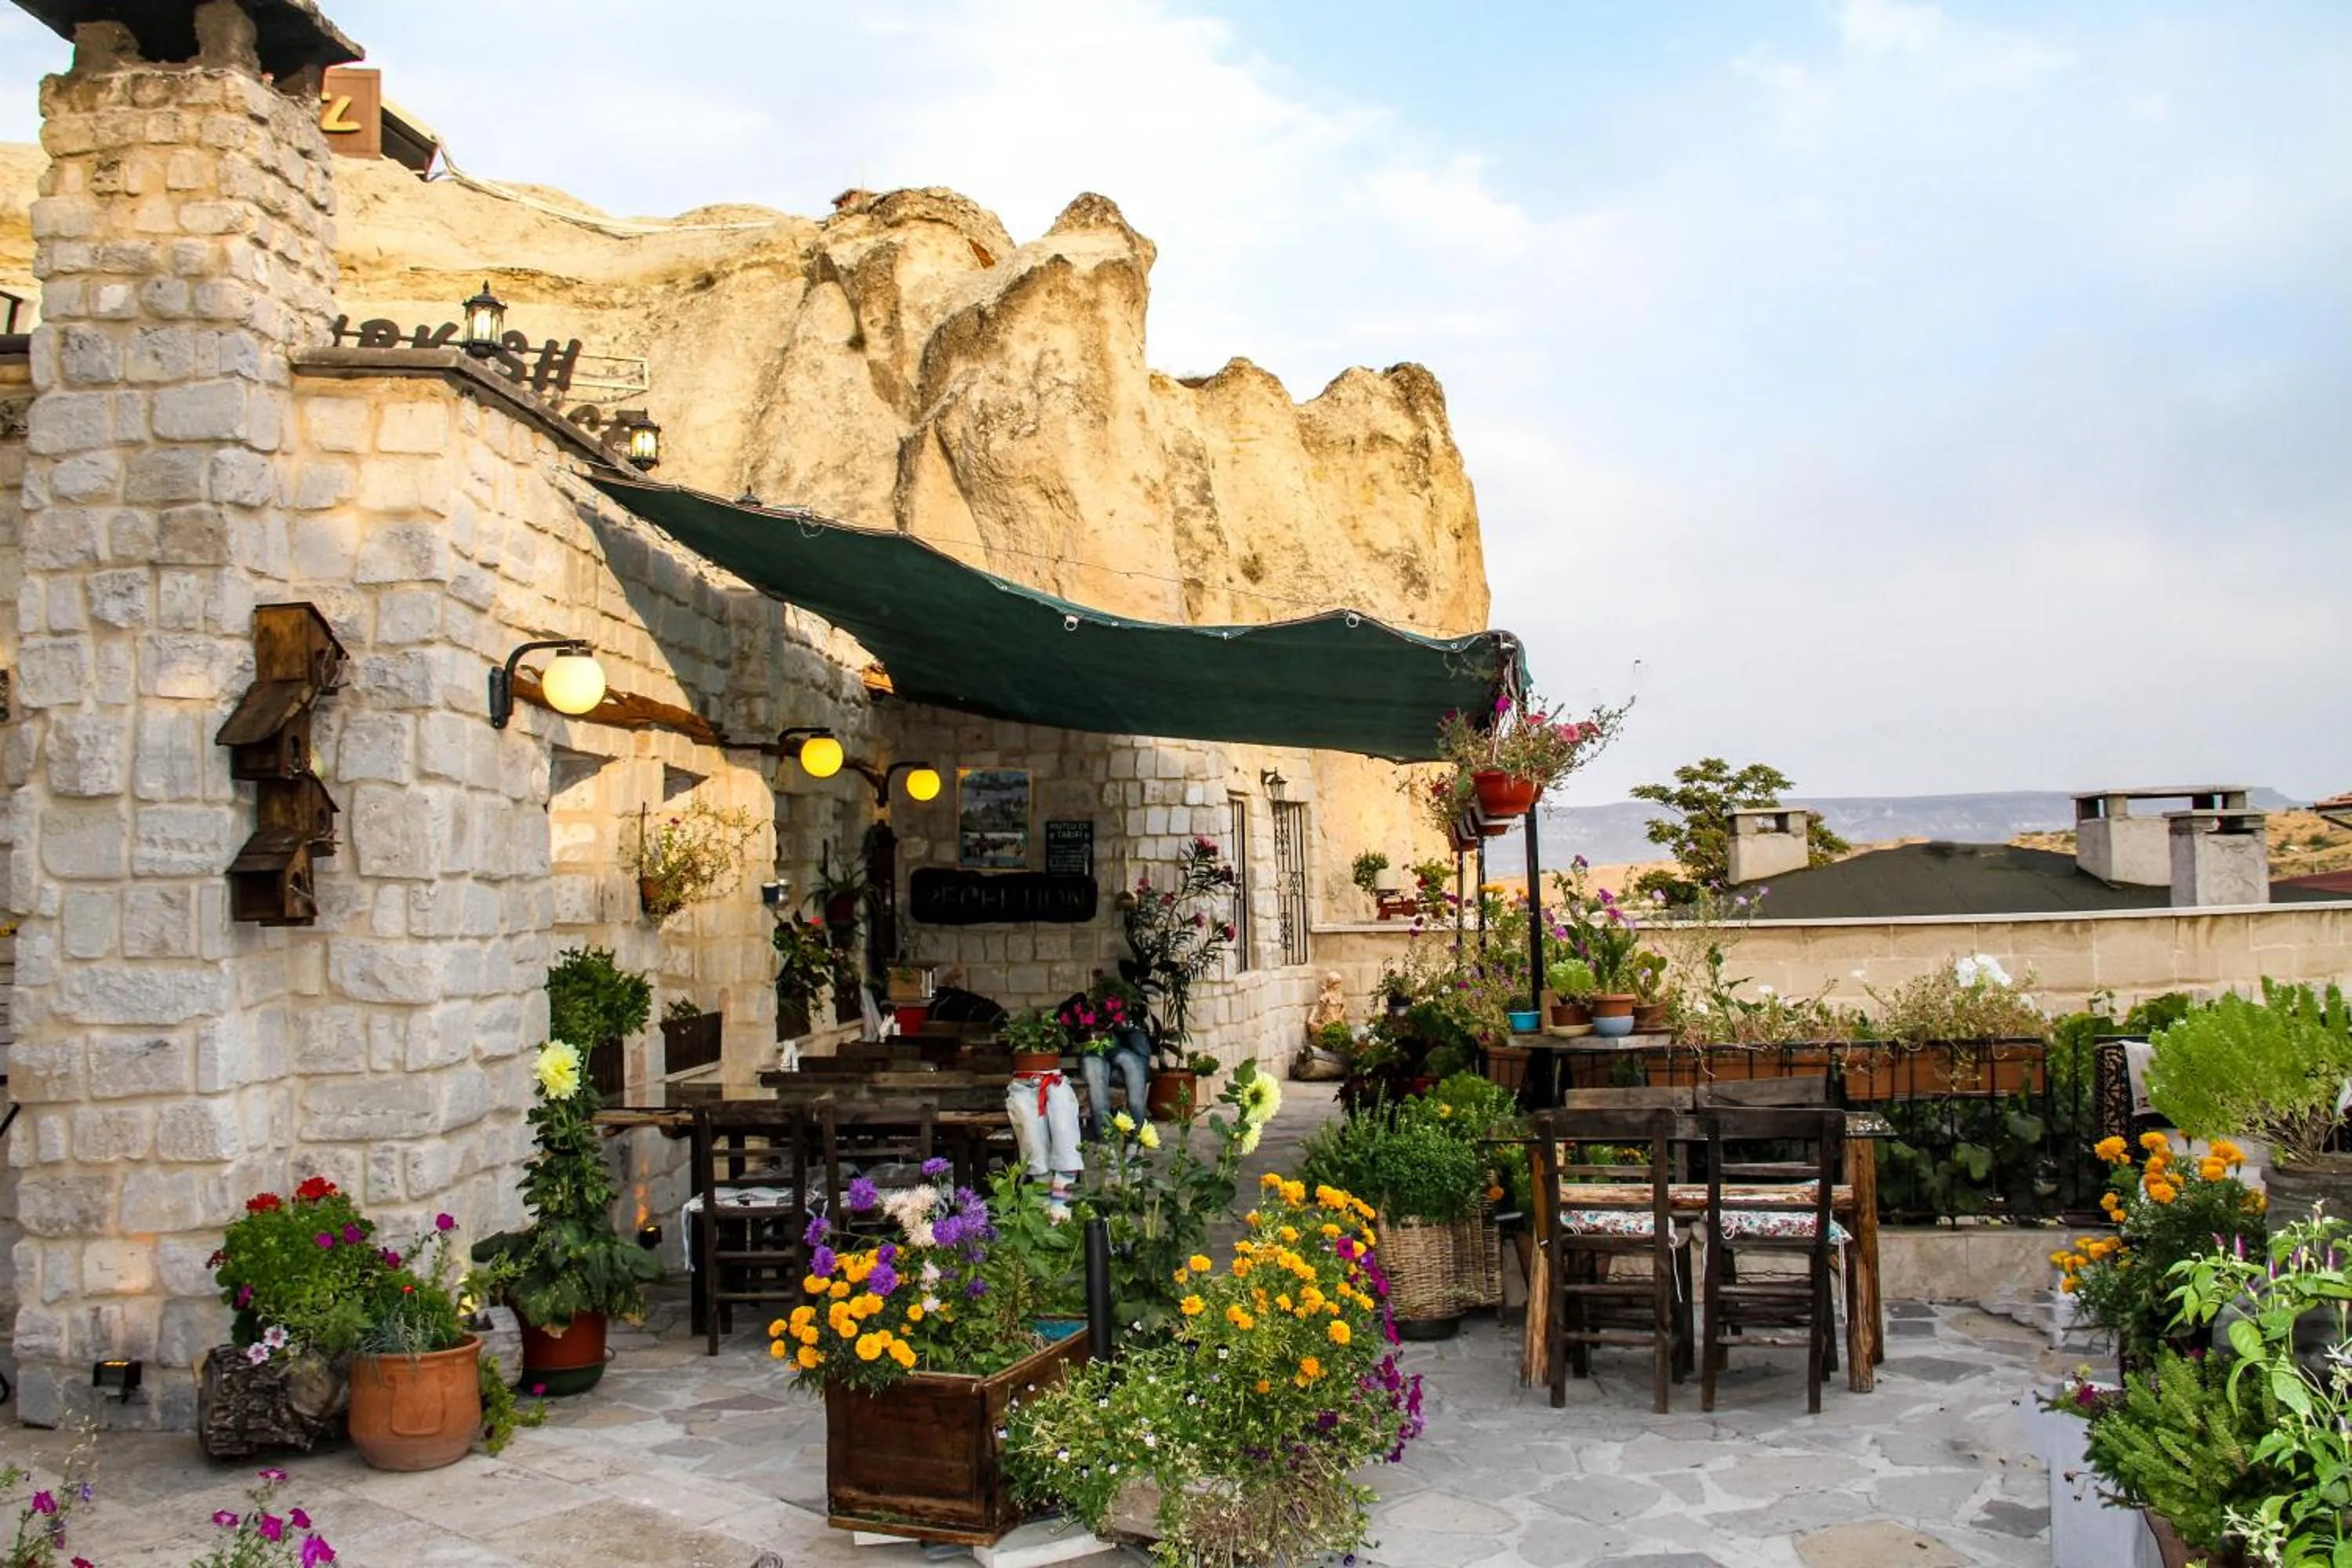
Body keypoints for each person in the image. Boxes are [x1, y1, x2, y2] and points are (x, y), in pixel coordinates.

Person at [1080, 1021, 1153, 1137]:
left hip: (1114, 1046)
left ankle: (1137, 1135)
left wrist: (1116, 1023)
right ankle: (1106, 1138)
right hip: (1090, 1052)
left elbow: (1124, 1025)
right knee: (1096, 1072)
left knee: (1132, 1063)